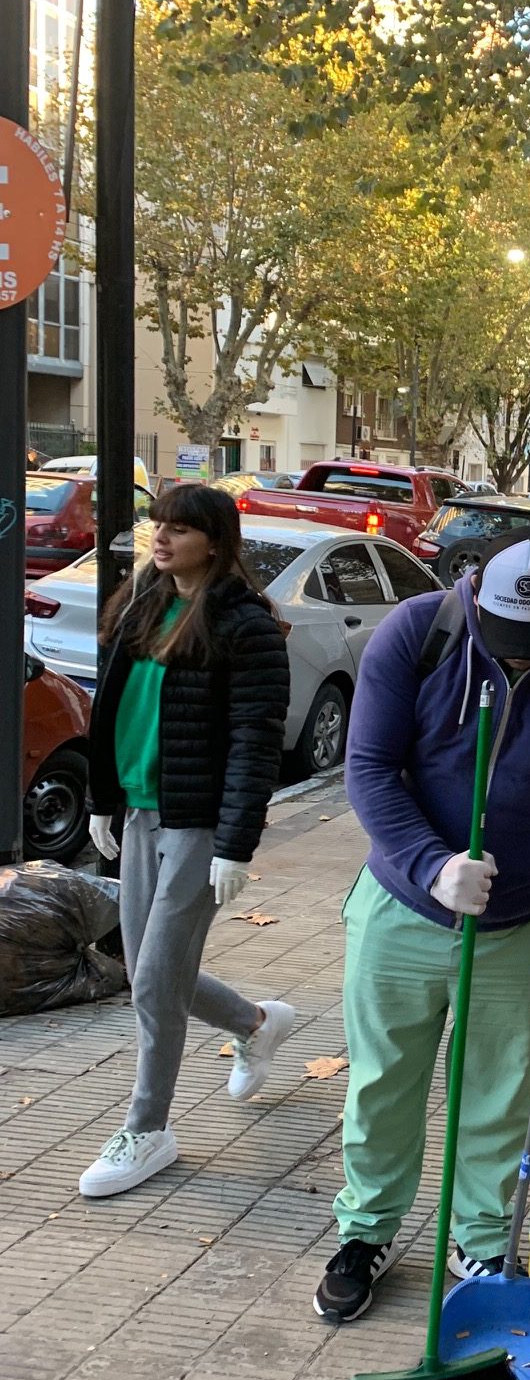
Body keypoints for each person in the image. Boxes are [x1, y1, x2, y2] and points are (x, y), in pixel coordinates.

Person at [315, 528, 530, 1323]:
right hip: (401, 900)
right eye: (507, 641)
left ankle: (482, 1237)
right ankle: (367, 1229)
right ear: (472, 592)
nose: (521, 659)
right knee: (382, 1082)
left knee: (498, 1094)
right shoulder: (417, 634)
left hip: (522, 915)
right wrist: (432, 862)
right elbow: (366, 767)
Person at [80, 484, 293, 1197]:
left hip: (198, 822)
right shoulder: (142, 601)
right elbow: (113, 706)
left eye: (179, 528)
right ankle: (256, 1023)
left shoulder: (245, 626)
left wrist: (236, 842)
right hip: (141, 813)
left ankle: (148, 1128)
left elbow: (255, 740)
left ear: (215, 541)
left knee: (153, 984)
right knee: (151, 971)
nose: (161, 536)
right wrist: (103, 801)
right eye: (157, 524)